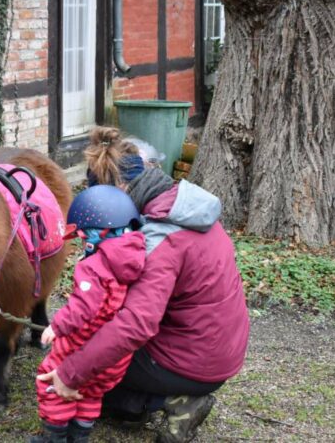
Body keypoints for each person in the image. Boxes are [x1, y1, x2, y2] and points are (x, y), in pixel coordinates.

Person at [39, 131, 251, 443]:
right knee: (100, 362)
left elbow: (134, 325)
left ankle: (174, 402)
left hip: (193, 362)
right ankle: (137, 406)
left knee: (84, 356)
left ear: (115, 193)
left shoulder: (157, 238)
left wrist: (71, 373)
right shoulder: (185, 208)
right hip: (218, 349)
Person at [31, 185, 146, 443]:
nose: (82, 241)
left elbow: (84, 307)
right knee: (92, 392)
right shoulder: (136, 260)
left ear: (97, 234)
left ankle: (56, 438)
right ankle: (79, 437)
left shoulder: (94, 267)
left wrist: (56, 326)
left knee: (50, 383)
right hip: (112, 359)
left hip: (80, 345)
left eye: (83, 236)